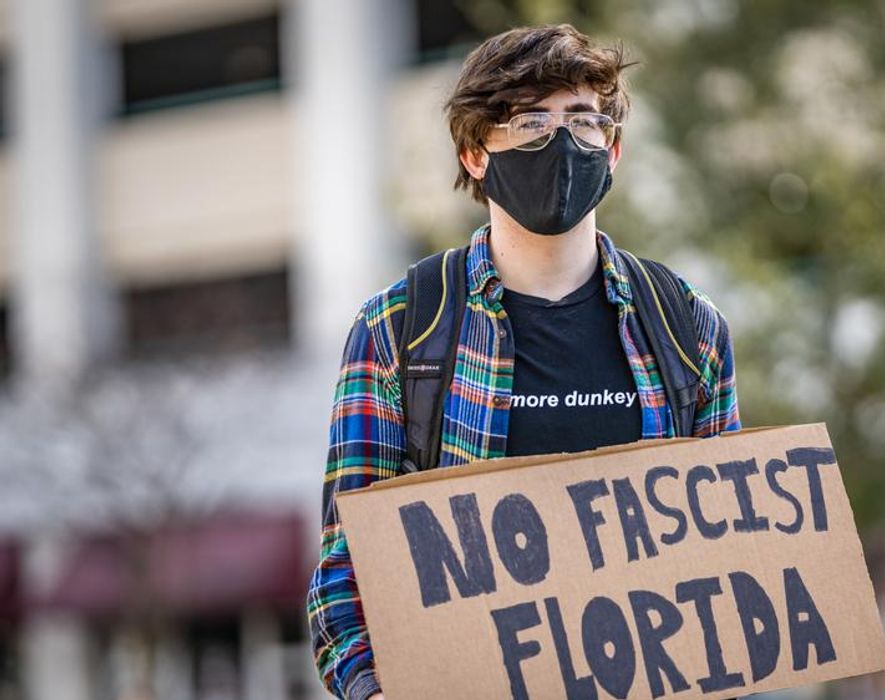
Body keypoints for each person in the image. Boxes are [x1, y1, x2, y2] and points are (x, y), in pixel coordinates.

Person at [307, 24, 740, 700]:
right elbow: (344, 571)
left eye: (582, 121)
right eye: (530, 122)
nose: (561, 143)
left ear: (614, 149)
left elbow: (728, 562)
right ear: (476, 153)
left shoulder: (688, 326)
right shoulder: (398, 330)